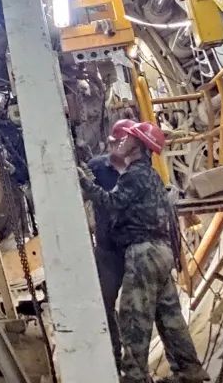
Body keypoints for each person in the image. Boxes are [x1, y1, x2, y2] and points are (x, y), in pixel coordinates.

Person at [78, 121, 209, 383]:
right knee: (169, 316)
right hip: (161, 253)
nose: (121, 142)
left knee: (133, 317)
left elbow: (113, 202)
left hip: (143, 254)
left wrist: (86, 183)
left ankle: (134, 376)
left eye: (127, 139)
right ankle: (189, 368)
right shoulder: (152, 176)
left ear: (136, 146)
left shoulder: (134, 175)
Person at [87, 119, 135, 367]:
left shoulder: (139, 170)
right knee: (104, 305)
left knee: (136, 308)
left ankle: (136, 363)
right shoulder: (96, 168)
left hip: (135, 250)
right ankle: (113, 359)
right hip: (107, 251)